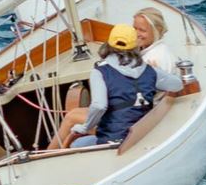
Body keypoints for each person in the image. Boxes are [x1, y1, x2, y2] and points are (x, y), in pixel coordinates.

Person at [49, 24, 182, 149]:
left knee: (76, 143)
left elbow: (99, 106)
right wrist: (156, 72)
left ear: (109, 45)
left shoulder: (100, 71)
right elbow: (177, 85)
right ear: (135, 46)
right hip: (141, 135)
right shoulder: (150, 70)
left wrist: (85, 128)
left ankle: (47, 156)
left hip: (114, 139)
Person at [132, 7, 176, 73]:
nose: (136, 34)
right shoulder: (162, 48)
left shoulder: (152, 59)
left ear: (157, 31)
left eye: (142, 30)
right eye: (134, 28)